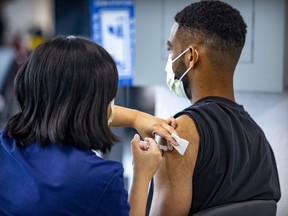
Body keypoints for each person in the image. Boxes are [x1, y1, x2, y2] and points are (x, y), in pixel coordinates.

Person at [0, 35, 173, 216]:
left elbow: (66, 110)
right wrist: (142, 175)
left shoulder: (6, 143)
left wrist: (136, 118)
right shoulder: (99, 179)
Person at [138, 0, 280, 215]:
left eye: (171, 49)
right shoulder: (259, 139)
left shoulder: (178, 132)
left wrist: (138, 176)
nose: (169, 60)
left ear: (190, 57)